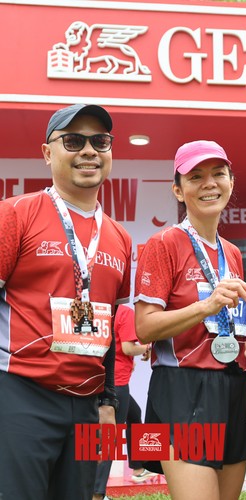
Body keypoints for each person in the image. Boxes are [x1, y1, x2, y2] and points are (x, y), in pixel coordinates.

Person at [0, 104, 132, 499]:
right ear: (47, 153)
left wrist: (107, 401)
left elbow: (108, 328)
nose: (89, 151)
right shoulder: (15, 214)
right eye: (73, 141)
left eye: (100, 141)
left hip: (87, 404)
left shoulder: (120, 238)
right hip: (20, 392)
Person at [134, 140, 246, 500]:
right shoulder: (164, 243)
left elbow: (229, 323)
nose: (209, 183)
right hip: (183, 388)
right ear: (178, 190)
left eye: (218, 174)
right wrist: (206, 307)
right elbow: (145, 327)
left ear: (231, 182)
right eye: (195, 177)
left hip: (234, 385)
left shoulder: (231, 253)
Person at [93, 303, 157, 500]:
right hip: (117, 382)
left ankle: (138, 468)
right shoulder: (125, 313)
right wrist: (148, 347)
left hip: (103, 378)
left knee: (135, 414)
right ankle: (97, 494)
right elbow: (128, 348)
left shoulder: (102, 309)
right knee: (109, 439)